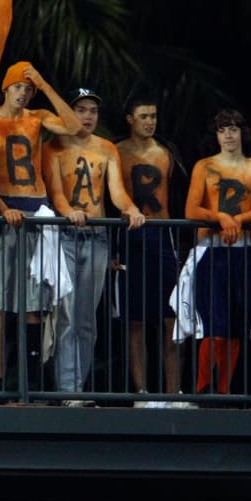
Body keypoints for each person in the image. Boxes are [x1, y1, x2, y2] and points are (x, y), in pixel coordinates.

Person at [0, 61, 82, 393]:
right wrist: (2, 209)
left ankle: (30, 379)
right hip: (4, 205)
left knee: (36, 300)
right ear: (6, 88)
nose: (24, 93)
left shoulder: (38, 117)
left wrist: (45, 86)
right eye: (19, 87)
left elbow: (74, 127)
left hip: (36, 206)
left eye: (28, 89)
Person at [43, 89, 145, 405]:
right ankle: (67, 390)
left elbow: (116, 193)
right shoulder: (53, 148)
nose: (87, 116)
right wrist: (68, 211)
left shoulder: (106, 148)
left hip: (98, 236)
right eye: (81, 109)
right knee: (68, 315)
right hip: (67, 237)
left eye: (92, 110)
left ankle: (78, 387)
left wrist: (130, 208)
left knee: (87, 318)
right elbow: (56, 192)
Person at [182, 109, 251, 395]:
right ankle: (203, 387)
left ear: (242, 132)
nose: (229, 135)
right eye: (222, 130)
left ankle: (224, 390)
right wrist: (220, 217)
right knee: (215, 325)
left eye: (233, 128)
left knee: (237, 326)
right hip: (211, 250)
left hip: (242, 250)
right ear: (216, 135)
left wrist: (237, 220)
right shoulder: (204, 166)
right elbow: (191, 209)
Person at [115, 97, 190, 407]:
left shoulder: (167, 153)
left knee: (171, 317)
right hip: (130, 237)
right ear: (130, 119)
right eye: (144, 116)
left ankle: (173, 393)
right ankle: (141, 392)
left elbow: (178, 197)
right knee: (135, 319)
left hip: (164, 236)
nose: (150, 121)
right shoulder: (116, 152)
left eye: (154, 116)